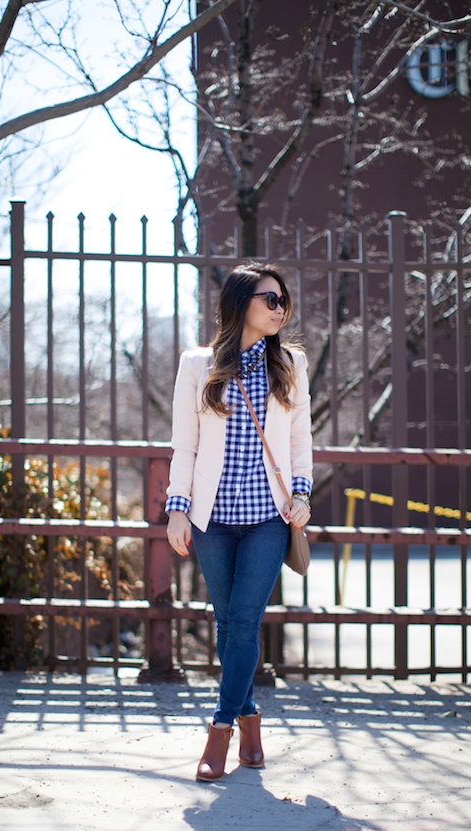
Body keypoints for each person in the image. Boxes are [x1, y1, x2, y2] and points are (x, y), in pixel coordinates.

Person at [165, 262, 313, 782]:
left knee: (245, 621)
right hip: (212, 518)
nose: (280, 310)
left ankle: (221, 730)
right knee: (227, 623)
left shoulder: (290, 362)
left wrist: (301, 494)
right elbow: (185, 443)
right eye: (270, 300)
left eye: (282, 301)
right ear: (241, 303)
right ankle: (251, 721)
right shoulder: (197, 364)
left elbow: (299, 441)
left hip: (268, 518)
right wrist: (177, 507)